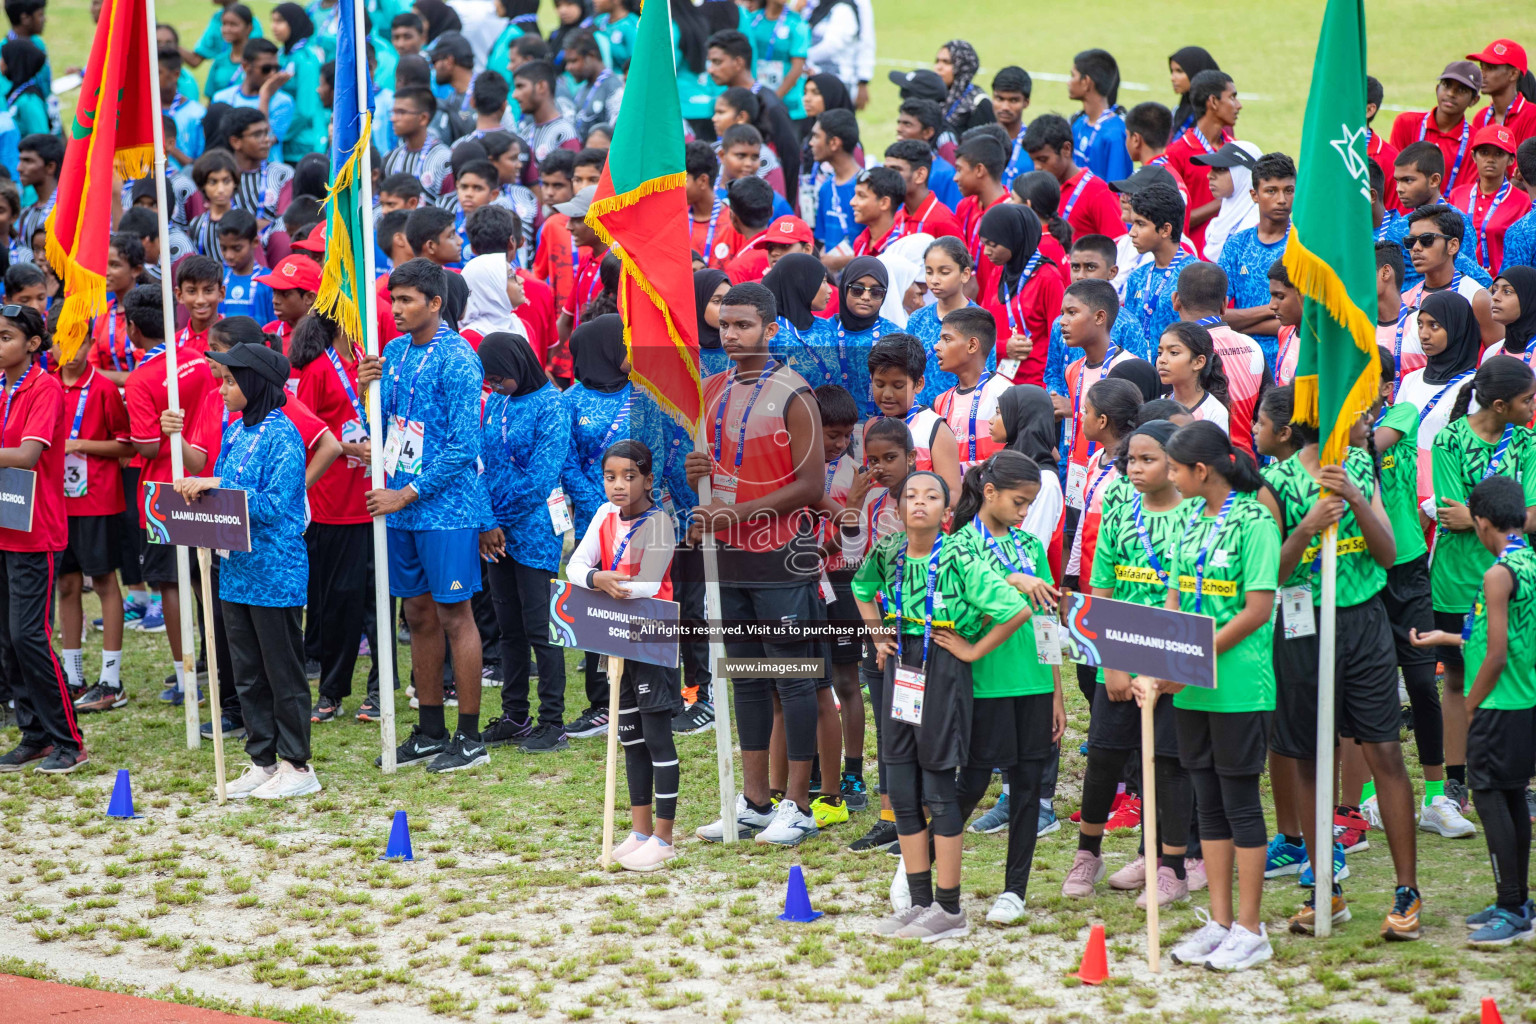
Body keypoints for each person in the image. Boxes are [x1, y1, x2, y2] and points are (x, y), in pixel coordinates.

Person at [1262, 396, 1421, 939]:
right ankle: (1322, 885)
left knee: (1384, 751)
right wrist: (1305, 529)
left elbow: (1386, 553)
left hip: (1362, 622)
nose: (1368, 423)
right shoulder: (1275, 481)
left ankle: (1407, 891)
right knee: (1309, 755)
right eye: (1357, 413)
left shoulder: (1359, 466)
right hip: (1302, 625)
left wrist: (1355, 497)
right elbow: (1271, 572)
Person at [853, 466, 1029, 942]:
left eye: (931, 496)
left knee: (937, 788)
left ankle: (949, 909)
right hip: (900, 667)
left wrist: (972, 650)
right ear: (897, 506)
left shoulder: (957, 555)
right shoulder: (888, 550)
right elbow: (861, 589)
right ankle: (919, 902)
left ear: (946, 512)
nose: (919, 503)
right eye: (911, 495)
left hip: (943, 666)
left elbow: (1015, 609)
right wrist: (875, 632)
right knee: (902, 788)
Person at [689, 283, 826, 847]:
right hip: (730, 557)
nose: (731, 335)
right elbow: (711, 475)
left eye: (743, 325)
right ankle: (752, 802)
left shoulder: (795, 393)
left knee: (791, 680)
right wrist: (696, 469)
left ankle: (798, 805)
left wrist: (736, 513)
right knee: (744, 678)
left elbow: (812, 485)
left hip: (779, 555)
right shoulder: (712, 389)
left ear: (770, 329)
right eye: (725, 325)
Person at [1143, 421, 1278, 971]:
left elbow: (1256, 609)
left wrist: (1192, 658)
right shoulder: (1188, 520)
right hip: (1191, 689)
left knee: (1240, 804)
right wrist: (1163, 659)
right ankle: (1221, 922)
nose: (1169, 478)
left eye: (1175, 469)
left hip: (1240, 686)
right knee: (1209, 806)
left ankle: (1252, 928)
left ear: (1202, 471)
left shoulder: (1256, 521)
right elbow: (1175, 595)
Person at [358, 258, 495, 774]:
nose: (395, 309)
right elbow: (380, 422)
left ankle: (470, 736)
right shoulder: (392, 351)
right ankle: (431, 728)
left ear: (435, 303)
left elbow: (463, 446)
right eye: (393, 300)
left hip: (443, 508)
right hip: (402, 509)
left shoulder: (459, 358)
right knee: (415, 616)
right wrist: (365, 383)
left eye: (407, 300)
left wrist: (407, 493)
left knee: (454, 615)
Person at [175, 343, 316, 798]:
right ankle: (263, 759)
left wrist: (218, 491)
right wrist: (206, 488)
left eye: (231, 381)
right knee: (248, 671)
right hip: (234, 568)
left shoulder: (284, 434)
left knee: (282, 671)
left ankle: (298, 766)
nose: (222, 389)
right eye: (222, 379)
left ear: (255, 385)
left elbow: (278, 503)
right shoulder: (236, 431)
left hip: (275, 570)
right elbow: (231, 486)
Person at [1411, 475, 1536, 944]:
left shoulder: (1496, 573)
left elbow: (1497, 652)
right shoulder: (1527, 562)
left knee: (1488, 799)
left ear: (1481, 523)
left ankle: (1510, 907)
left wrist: (1473, 702)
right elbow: (1501, 633)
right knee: (1508, 796)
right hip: (1522, 700)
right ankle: (1519, 901)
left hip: (1499, 703)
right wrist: (1445, 638)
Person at [951, 451, 1064, 924]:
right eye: (1019, 503)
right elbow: (963, 614)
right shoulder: (959, 546)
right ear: (990, 492)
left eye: (1030, 505)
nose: (1024, 513)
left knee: (1028, 787)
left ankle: (1014, 891)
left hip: (1034, 685)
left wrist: (1056, 691)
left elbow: (1046, 623)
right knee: (972, 783)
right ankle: (921, 867)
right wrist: (1011, 580)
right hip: (986, 684)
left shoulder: (1031, 547)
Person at [1430, 355, 1536, 816]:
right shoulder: (1449, 441)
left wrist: (1475, 519)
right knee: (1456, 679)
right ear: (1499, 403)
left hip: (1514, 581)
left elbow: (1526, 515)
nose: (1532, 407)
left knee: (1519, 676)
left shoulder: (1529, 443)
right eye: (1527, 399)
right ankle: (1457, 782)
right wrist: (1506, 519)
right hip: (1454, 582)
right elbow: (1450, 515)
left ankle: (1522, 779)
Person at [123, 282, 217, 703]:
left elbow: (144, 445)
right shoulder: (197, 359)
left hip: (163, 493)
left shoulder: (141, 378)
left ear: (131, 329)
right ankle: (218, 670)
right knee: (206, 583)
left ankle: (185, 681)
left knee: (172, 586)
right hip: (207, 482)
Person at [0, 303, 84, 774]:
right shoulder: (1, 385)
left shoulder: (44, 386)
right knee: (7, 640)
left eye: (6, 337)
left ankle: (68, 739)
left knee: (28, 635)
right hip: (3, 523)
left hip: (35, 528)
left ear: (32, 345)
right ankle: (34, 736)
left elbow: (29, 454)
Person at [57, 329, 134, 715]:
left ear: (91, 344)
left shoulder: (103, 388)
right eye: (63, 343)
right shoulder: (47, 385)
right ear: (51, 345)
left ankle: (111, 679)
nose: (71, 352)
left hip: (98, 501)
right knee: (66, 585)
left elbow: (128, 443)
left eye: (79, 343)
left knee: (104, 582)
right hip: (55, 504)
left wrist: (80, 445)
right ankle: (72, 677)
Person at [1174, 262, 1268, 460]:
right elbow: (1267, 412)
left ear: (1176, 300)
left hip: (1195, 469)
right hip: (1244, 468)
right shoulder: (1252, 345)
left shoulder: (1176, 352)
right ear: (1225, 304)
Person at [978, 203, 1062, 388]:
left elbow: (1060, 337)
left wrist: (1055, 388)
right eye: (984, 244)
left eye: (993, 245)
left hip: (1037, 386)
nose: (986, 252)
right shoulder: (997, 274)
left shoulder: (1047, 277)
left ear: (1014, 239)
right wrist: (1002, 348)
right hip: (999, 381)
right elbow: (982, 326)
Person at [1402, 203, 1501, 348]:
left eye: (1426, 239)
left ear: (1453, 246)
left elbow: (1497, 358)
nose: (1416, 248)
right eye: (1410, 242)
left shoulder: (1477, 298)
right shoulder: (1405, 300)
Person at [1163, 69, 1239, 256]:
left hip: (1232, 258)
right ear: (1213, 102)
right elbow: (1171, 222)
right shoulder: (1176, 153)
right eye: (1232, 97)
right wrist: (1225, 202)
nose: (1239, 105)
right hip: (1194, 261)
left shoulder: (1238, 150)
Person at [1020, 113, 1122, 244]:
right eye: (1033, 160)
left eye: (1043, 159)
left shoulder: (1098, 191)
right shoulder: (1041, 189)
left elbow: (1118, 246)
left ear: (1066, 149)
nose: (1037, 167)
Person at [932, 305, 1010, 473]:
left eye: (946, 339)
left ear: (972, 345)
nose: (937, 346)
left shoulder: (1005, 392)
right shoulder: (941, 401)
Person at [1388, 62, 1483, 196]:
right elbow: (1393, 177)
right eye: (1446, 85)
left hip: (1448, 215)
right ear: (1437, 88)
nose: (1451, 93)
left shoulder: (1477, 142)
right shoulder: (1405, 123)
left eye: (1461, 90)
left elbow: (1466, 195)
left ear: (1474, 100)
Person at [1447, 125, 1530, 277]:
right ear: (1473, 156)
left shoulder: (1524, 202)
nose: (1490, 159)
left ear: (1511, 159)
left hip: (1501, 287)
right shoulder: (1457, 195)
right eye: (1484, 152)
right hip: (1458, 283)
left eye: (1499, 154)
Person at [1122, 181, 1195, 345]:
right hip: (1140, 369)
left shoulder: (1194, 275)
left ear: (1165, 230)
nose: (1131, 233)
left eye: (1140, 224)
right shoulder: (1137, 277)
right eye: (1133, 223)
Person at [268, 4, 324, 158]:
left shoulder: (306, 59)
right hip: (281, 139)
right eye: (272, 21)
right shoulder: (281, 54)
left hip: (301, 143)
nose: (274, 27)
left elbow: (306, 109)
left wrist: (277, 134)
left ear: (294, 23)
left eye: (280, 21)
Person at [1067, 48, 1130, 183]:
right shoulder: (1078, 124)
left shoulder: (1115, 134)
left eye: (1073, 75)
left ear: (1086, 82)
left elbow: (1116, 191)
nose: (1069, 82)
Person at [1191, 140, 1258, 263]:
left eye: (1221, 169)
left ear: (1244, 174)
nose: (1209, 175)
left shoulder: (1257, 229)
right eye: (1212, 168)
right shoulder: (1214, 226)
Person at [884, 140, 963, 242]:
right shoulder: (897, 219)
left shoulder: (944, 221)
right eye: (885, 169)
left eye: (895, 170)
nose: (886, 176)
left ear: (920, 175)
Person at [811, 109, 862, 259]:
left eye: (816, 136)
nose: (811, 143)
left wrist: (843, 261)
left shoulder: (868, 188)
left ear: (834, 143)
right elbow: (824, 240)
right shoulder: (826, 187)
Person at [1466, 40, 1536, 144]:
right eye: (1482, 67)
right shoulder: (1480, 117)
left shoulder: (1532, 116)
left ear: (1513, 74)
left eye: (1490, 68)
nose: (1482, 75)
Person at [216, 209, 275, 324]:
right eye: (223, 248)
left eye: (237, 248)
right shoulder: (218, 279)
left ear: (254, 242)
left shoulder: (269, 281)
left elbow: (275, 326)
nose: (229, 255)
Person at [933, 39, 991, 138]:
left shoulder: (978, 103)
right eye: (937, 61)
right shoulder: (933, 95)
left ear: (963, 66)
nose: (938, 67)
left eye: (946, 62)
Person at [1167, 46, 1220, 141]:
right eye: (1172, 71)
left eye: (1179, 71)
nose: (1172, 78)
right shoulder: (1179, 111)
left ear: (1196, 72)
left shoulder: (1216, 117)